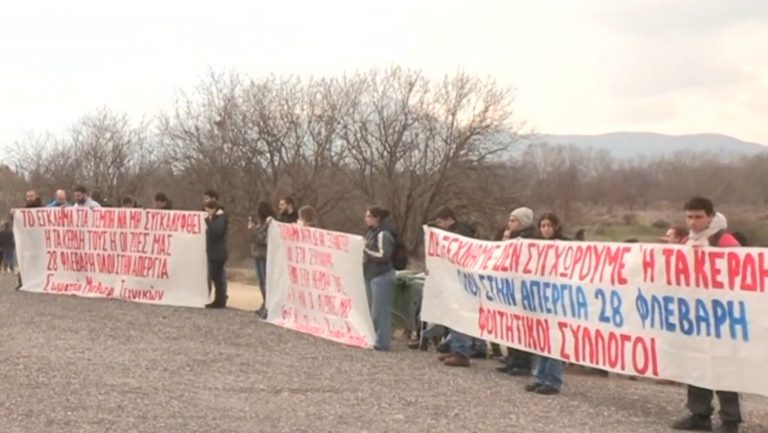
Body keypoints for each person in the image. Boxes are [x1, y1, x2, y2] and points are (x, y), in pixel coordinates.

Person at [672, 196, 742, 433]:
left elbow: (742, 277)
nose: (693, 222)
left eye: (698, 217)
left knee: (724, 369)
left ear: (711, 216)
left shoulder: (725, 241)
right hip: (694, 316)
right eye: (689, 217)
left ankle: (730, 421)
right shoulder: (686, 242)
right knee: (696, 364)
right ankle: (699, 415)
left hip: (722, 318)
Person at [524, 213, 568, 395]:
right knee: (541, 340)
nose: (546, 229)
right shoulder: (537, 246)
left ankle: (553, 379)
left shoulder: (567, 245)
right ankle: (541, 377)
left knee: (555, 341)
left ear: (556, 226)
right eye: (542, 226)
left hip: (559, 300)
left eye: (549, 225)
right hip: (542, 299)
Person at [430, 207, 479, 367]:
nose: (439, 226)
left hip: (460, 279)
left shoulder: (460, 233)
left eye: (440, 222)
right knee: (452, 316)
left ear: (448, 219)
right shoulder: (455, 232)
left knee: (459, 316)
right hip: (452, 278)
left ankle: (462, 351)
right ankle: (455, 347)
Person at [497, 207, 537, 376]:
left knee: (522, 327)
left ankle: (523, 362)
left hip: (525, 288)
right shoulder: (511, 237)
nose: (509, 224)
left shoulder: (531, 239)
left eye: (513, 220)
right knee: (511, 326)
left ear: (523, 222)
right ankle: (512, 359)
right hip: (512, 286)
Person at [363, 206, 397, 351]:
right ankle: (375, 337)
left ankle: (382, 341)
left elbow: (384, 256)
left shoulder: (383, 234)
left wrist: (365, 250)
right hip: (371, 274)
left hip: (381, 275)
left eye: (368, 216)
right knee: (373, 310)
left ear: (376, 218)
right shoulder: (371, 233)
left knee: (380, 311)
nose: (365, 219)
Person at [249, 201, 275, 318]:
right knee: (260, 281)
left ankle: (268, 305)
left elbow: (262, 239)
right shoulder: (261, 224)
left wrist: (253, 230)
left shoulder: (269, 224)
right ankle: (264, 302)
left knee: (265, 281)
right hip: (257, 255)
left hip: (264, 255)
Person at [204, 200, 229, 309]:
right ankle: (218, 299)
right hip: (214, 252)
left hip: (218, 253)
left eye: (208, 210)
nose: (207, 212)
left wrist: (208, 222)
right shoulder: (217, 218)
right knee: (216, 278)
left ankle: (220, 300)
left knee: (218, 279)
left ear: (214, 209)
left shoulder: (221, 218)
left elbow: (216, 232)